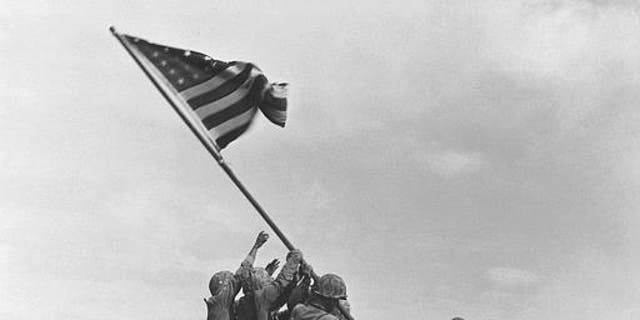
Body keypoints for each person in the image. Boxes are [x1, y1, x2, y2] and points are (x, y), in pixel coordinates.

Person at [236, 232, 305, 320]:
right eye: (265, 278)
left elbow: (244, 270)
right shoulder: (261, 299)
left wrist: (256, 247)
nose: (270, 279)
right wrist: (294, 261)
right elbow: (280, 284)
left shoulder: (246, 304)